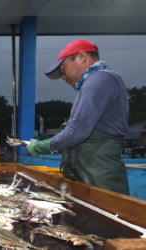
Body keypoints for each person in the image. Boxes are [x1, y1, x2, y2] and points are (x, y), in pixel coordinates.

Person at [26, 39, 129, 195]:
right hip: (89, 173)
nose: (63, 76)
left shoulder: (100, 79)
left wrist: (41, 146)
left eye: (62, 69)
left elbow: (77, 131)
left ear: (82, 57)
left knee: (103, 217)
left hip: (99, 177)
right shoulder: (97, 81)